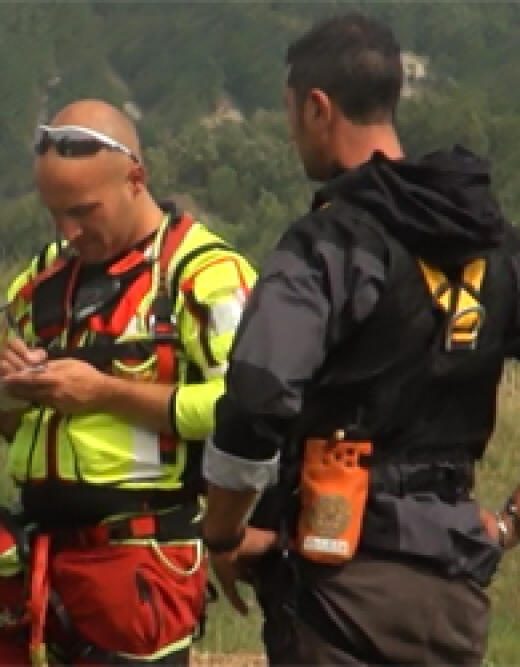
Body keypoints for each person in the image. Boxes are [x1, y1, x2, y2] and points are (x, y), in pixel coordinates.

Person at [201, 12, 520, 665]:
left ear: (319, 108)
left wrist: (226, 527)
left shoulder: (332, 242)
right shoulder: (494, 242)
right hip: (453, 591)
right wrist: (509, 521)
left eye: (292, 114)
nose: (293, 135)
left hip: (341, 587)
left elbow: (259, 393)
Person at [0, 100, 257, 665]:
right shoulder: (41, 279)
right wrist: (13, 389)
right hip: (32, 560)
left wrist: (105, 394)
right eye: (54, 213)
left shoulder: (206, 277)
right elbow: (8, 427)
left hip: (137, 567)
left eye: (83, 211)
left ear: (136, 178)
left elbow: (245, 409)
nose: (68, 231)